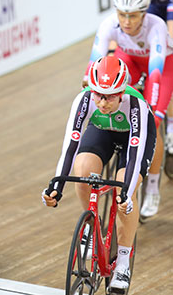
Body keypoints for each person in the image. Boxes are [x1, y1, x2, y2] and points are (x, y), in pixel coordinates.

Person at [44, 56, 156, 292]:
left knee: (123, 187)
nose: (103, 103)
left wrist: (126, 191)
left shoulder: (137, 106)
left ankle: (123, 261)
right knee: (82, 170)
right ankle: (93, 226)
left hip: (132, 141)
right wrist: (57, 186)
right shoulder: (84, 100)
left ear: (121, 92)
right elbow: (70, 146)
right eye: (98, 95)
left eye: (110, 96)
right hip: (103, 131)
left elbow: (135, 154)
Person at [84, 0, 173, 218]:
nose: (126, 21)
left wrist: (150, 111)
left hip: (161, 65)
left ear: (144, 13)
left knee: (151, 122)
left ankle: (152, 186)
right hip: (129, 60)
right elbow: (94, 67)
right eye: (122, 15)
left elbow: (155, 75)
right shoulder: (108, 25)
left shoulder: (156, 27)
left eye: (133, 16)